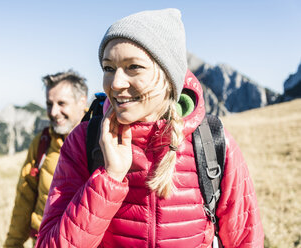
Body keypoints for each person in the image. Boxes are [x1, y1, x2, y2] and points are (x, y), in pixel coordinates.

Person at [36, 9, 264, 247]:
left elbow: (245, 241)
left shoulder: (212, 142)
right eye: (108, 68)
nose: (116, 83)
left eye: (133, 67)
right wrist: (110, 178)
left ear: (168, 76)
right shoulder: (84, 141)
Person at [4, 70, 88, 248]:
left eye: (61, 103)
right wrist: (12, 244)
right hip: (43, 241)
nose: (54, 112)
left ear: (82, 102)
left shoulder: (102, 141)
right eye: (49, 104)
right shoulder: (42, 142)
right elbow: (24, 199)